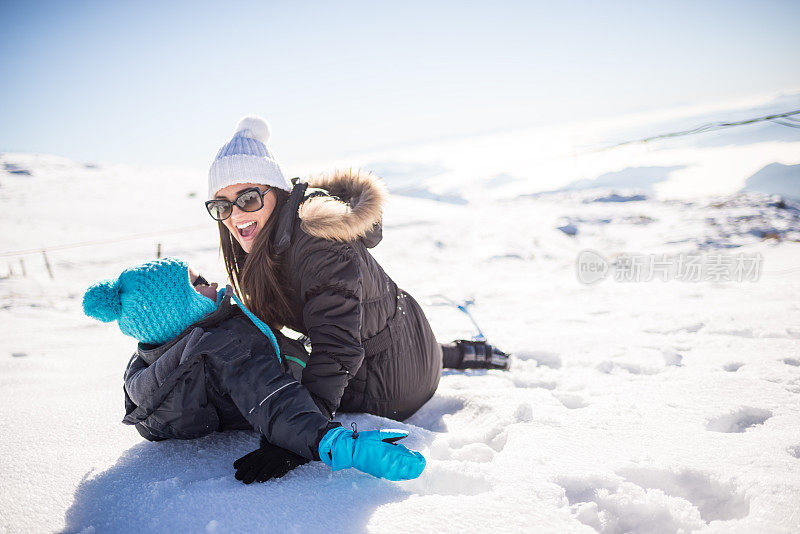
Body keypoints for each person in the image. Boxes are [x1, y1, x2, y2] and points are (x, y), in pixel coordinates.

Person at [200, 117, 510, 476]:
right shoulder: (271, 237)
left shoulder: (317, 243)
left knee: (278, 390)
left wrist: (300, 435)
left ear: (277, 192)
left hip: (394, 385)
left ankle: (453, 355)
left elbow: (338, 349)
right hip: (408, 339)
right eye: (222, 206)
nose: (235, 214)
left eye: (248, 198)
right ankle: (461, 353)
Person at [83, 257, 426, 482]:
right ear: (179, 309)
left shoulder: (158, 362)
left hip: (304, 359)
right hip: (331, 385)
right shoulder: (223, 345)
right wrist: (338, 444)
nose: (212, 283)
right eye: (197, 282)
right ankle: (459, 355)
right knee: (388, 352)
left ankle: (459, 354)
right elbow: (273, 398)